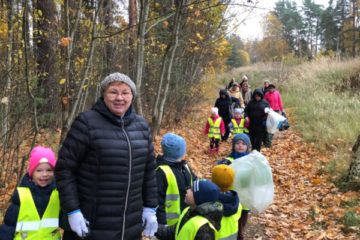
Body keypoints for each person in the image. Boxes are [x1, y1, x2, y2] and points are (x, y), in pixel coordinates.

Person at [55, 72, 158, 239]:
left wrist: (150, 208)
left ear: (132, 96)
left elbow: (149, 171)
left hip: (130, 226)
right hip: (91, 225)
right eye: (113, 92)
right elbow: (64, 169)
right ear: (103, 95)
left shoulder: (141, 126)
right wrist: (72, 210)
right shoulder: (86, 123)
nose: (119, 98)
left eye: (125, 92)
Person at [0, 146, 60, 240]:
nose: (44, 174)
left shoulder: (58, 194)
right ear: (32, 173)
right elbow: (9, 227)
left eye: (49, 170)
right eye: (39, 170)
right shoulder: (21, 195)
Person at [155, 179, 223, 240]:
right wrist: (153, 227)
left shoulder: (204, 230)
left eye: (191, 190)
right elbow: (173, 232)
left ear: (199, 198)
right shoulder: (188, 211)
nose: (187, 190)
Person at [156, 133, 197, 226]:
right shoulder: (161, 172)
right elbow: (158, 200)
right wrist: (162, 224)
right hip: (170, 225)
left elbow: (195, 181)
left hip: (187, 218)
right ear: (180, 152)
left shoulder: (184, 166)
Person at [216, 134, 252, 240]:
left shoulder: (250, 160)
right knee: (233, 212)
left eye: (243, 144)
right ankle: (234, 230)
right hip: (232, 191)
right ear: (233, 145)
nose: (240, 146)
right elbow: (219, 171)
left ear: (248, 146)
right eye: (237, 143)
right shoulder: (229, 159)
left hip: (245, 192)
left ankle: (241, 231)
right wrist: (223, 164)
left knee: (244, 213)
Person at [212, 165, 242, 240]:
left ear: (213, 181)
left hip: (215, 236)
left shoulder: (209, 203)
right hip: (232, 235)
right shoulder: (237, 203)